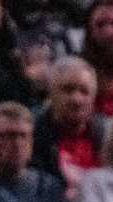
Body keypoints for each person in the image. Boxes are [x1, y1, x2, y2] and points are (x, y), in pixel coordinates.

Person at [30, 57, 107, 192]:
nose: (76, 99)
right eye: (68, 89)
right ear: (51, 92)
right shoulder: (31, 132)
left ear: (93, 98)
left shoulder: (108, 134)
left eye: (84, 91)